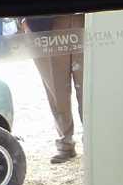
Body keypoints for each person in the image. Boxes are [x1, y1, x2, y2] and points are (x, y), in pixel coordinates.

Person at [23, 14, 85, 163]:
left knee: (88, 85)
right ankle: (65, 143)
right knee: (56, 88)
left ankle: (93, 141)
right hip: (45, 20)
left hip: (83, 15)